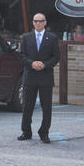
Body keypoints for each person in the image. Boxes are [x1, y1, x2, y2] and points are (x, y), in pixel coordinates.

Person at [18, 13, 60, 144]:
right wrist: (32, 63)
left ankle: (44, 133)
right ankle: (26, 131)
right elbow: (22, 56)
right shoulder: (26, 37)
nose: (38, 23)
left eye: (40, 21)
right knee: (27, 106)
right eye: (35, 21)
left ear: (45, 22)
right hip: (30, 76)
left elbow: (56, 56)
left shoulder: (52, 38)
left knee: (46, 107)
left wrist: (45, 64)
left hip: (45, 76)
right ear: (33, 23)